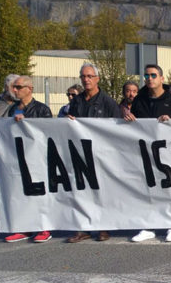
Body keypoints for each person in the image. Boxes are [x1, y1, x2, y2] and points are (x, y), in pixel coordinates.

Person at [0, 76, 53, 243]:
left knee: (39, 193)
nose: (14, 90)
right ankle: (25, 227)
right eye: (14, 87)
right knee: (20, 193)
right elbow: (5, 130)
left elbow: (49, 132)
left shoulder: (41, 109)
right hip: (17, 158)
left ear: (29, 89)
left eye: (18, 87)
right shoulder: (12, 108)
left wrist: (27, 123)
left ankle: (44, 227)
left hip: (36, 158)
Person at [124, 64, 171, 242]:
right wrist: (130, 120)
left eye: (153, 75)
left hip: (169, 153)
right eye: (146, 75)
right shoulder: (139, 100)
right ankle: (149, 226)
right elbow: (134, 125)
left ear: (161, 78)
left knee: (170, 188)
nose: (149, 78)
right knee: (147, 189)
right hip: (145, 153)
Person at [66, 63, 122, 243]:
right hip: (81, 153)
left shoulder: (108, 102)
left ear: (97, 79)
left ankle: (104, 227)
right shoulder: (76, 101)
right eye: (83, 76)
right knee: (82, 191)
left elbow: (116, 128)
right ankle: (84, 228)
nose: (86, 79)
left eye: (90, 76)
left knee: (102, 191)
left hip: (101, 154)